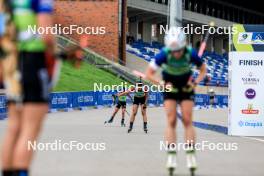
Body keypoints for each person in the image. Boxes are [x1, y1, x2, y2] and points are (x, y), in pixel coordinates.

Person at [0, 0, 54, 175]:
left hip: (11, 62)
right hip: (33, 60)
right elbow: (46, 35)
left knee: (13, 126)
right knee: (30, 128)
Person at [145, 27, 206, 175]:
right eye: (174, 51)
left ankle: (190, 155)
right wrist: (161, 84)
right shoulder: (163, 54)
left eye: (179, 50)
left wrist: (195, 82)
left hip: (186, 87)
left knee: (187, 120)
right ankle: (171, 156)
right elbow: (149, 74)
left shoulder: (190, 53)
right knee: (171, 120)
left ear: (183, 45)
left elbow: (203, 70)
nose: (176, 54)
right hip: (170, 86)